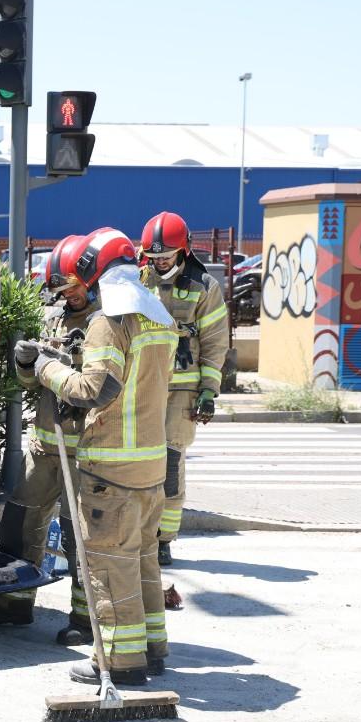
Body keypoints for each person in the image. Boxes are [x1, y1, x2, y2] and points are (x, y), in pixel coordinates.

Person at [19, 228, 178, 686]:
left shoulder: (111, 318)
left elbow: (95, 389)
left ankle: (120, 662)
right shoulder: (157, 313)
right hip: (149, 466)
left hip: (113, 467)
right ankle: (151, 647)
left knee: (109, 564)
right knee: (144, 561)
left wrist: (46, 367)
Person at [0, 236, 96, 642]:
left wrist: (55, 365)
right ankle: (13, 603)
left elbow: (91, 386)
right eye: (59, 288)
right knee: (20, 524)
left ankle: (83, 620)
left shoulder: (107, 324)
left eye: (71, 286)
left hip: (86, 451)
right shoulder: (57, 318)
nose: (65, 295)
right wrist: (27, 364)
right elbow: (33, 385)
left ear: (91, 279)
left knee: (80, 536)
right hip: (45, 447)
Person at [139, 212, 230, 565]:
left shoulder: (203, 286)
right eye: (154, 255)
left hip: (181, 392)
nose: (159, 261)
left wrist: (209, 390)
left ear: (184, 250)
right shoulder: (137, 278)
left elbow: (215, 341)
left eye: (166, 255)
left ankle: (163, 539)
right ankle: (139, 534)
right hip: (142, 386)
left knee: (170, 465)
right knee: (135, 463)